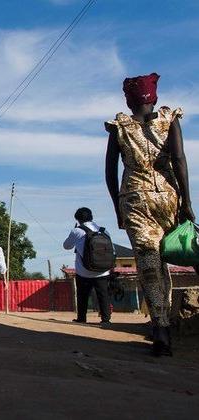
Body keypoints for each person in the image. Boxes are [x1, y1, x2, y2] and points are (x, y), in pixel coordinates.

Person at [105, 73, 196, 356]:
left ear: (128, 101)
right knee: (180, 252)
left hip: (134, 199)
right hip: (168, 197)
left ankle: (161, 329)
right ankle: (163, 324)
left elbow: (110, 172)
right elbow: (179, 159)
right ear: (154, 98)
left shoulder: (120, 126)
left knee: (149, 263)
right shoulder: (169, 119)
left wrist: (117, 207)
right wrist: (187, 202)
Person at [62, 208, 112, 324]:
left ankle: (81, 318)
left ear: (77, 219)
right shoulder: (103, 230)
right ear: (91, 217)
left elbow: (66, 246)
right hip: (103, 270)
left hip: (84, 271)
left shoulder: (77, 231)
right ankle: (106, 319)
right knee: (103, 295)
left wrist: (75, 232)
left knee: (82, 295)